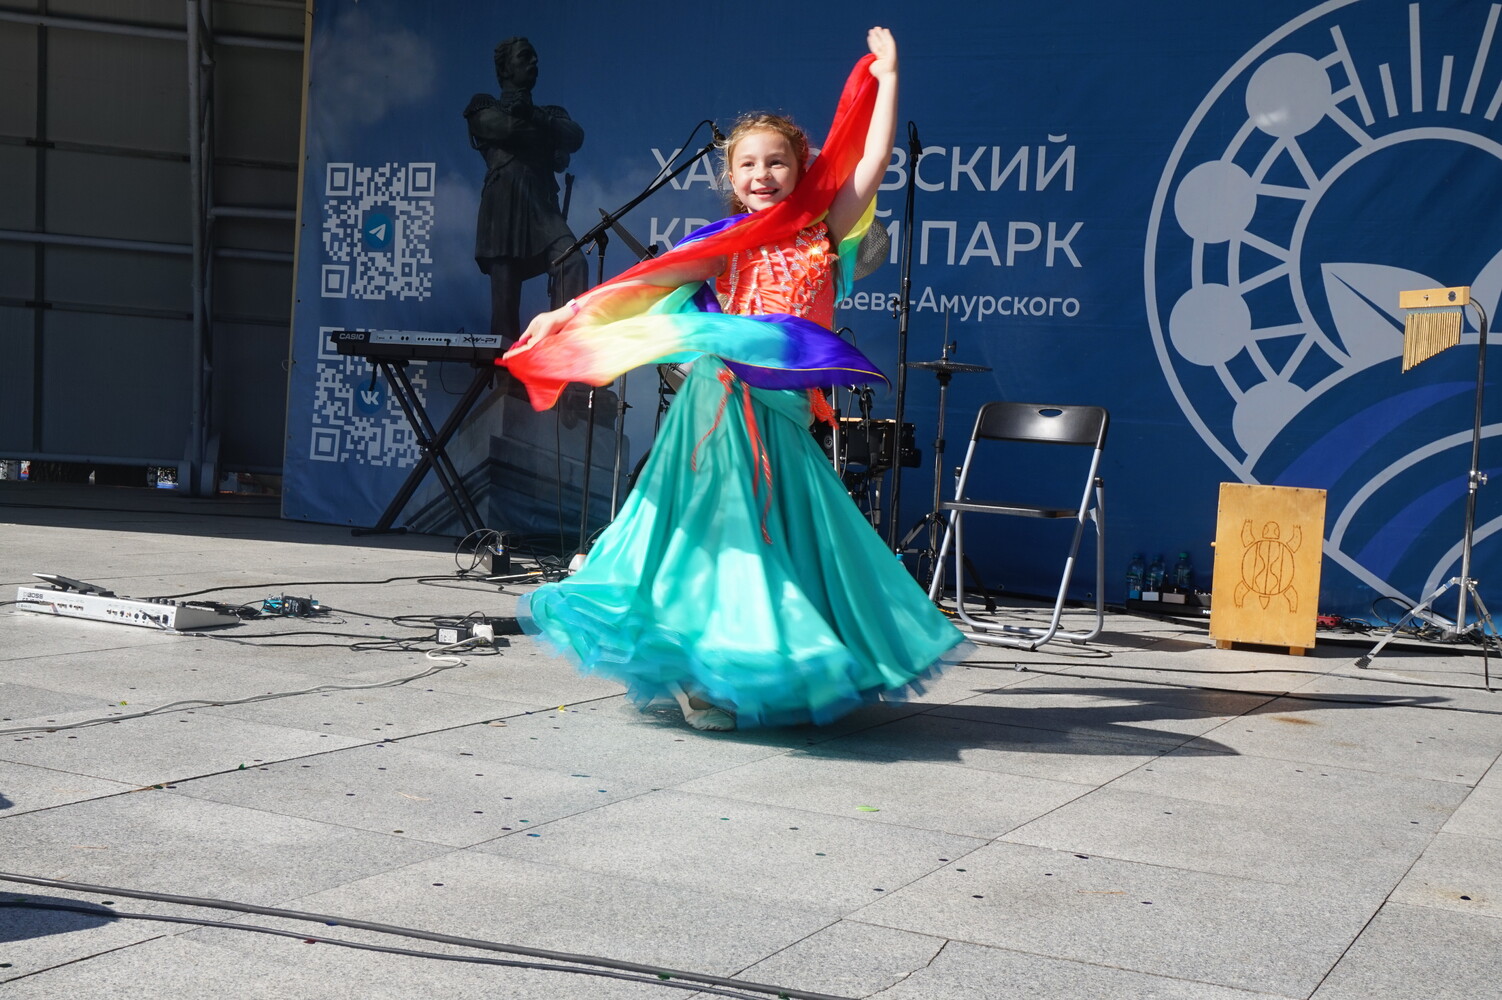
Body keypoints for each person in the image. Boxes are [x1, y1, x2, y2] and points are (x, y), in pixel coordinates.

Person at [503, 28, 965, 730]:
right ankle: (704, 675)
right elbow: (641, 285)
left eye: (777, 162)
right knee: (722, 530)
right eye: (747, 164)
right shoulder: (723, 246)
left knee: (784, 533)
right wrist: (564, 312)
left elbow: (874, 159)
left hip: (783, 406)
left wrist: (890, 77)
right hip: (719, 401)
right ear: (730, 176)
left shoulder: (822, 232)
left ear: (801, 168)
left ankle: (749, 661)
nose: (762, 174)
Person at [465, 37, 588, 340]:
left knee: (573, 262)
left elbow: (574, 137)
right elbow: (505, 129)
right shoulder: (483, 105)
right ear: (506, 68)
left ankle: (563, 355)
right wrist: (546, 134)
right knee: (504, 300)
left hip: (542, 208)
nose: (534, 62)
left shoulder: (549, 112)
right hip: (502, 209)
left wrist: (535, 115)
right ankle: (505, 370)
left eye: (535, 57)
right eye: (524, 57)